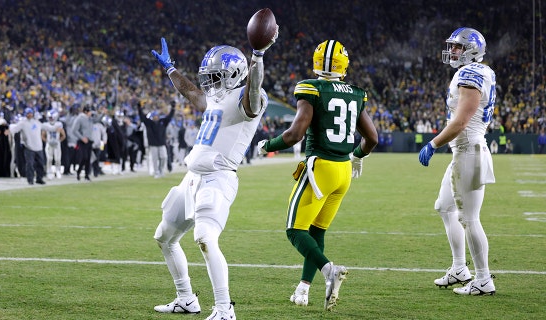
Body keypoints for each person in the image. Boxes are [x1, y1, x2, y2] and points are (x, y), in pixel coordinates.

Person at [150, 26, 277, 319]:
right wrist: (170, 69)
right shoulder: (217, 97)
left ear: (234, 74)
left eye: (215, 75)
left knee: (205, 237)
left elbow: (254, 90)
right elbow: (191, 92)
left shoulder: (250, 98)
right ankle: (186, 299)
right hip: (191, 178)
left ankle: (224, 309)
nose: (209, 81)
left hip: (218, 177)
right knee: (164, 237)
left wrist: (257, 55)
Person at [257, 39, 378, 310]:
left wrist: (268, 145)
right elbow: (372, 137)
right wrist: (358, 156)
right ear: (344, 64)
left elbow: (295, 134)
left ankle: (328, 270)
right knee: (316, 230)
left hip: (320, 168)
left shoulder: (311, 87)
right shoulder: (356, 93)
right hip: (343, 171)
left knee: (295, 230)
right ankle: (303, 289)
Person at [418, 27, 497, 295]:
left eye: (457, 47)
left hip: (469, 151)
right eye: (452, 46)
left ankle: (484, 279)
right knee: (444, 206)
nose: (452, 51)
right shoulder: (481, 71)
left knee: (469, 218)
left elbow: (461, 121)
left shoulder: (470, 73)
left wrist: (433, 143)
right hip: (465, 151)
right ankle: (459, 268)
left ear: (471, 49)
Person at [9, 108, 46, 185]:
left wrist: (55, 128)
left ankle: (39, 178)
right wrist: (9, 129)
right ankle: (30, 179)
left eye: (30, 113)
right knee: (30, 164)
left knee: (40, 164)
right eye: (28, 113)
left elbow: (45, 127)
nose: (29, 115)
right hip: (29, 147)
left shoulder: (37, 122)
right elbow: (14, 129)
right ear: (26, 114)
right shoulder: (23, 123)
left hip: (39, 146)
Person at [138, 102, 174, 178]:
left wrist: (173, 109)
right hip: (153, 144)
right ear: (152, 117)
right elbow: (142, 117)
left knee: (164, 157)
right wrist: (139, 108)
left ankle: (161, 170)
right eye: (154, 116)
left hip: (162, 143)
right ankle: (156, 172)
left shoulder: (163, 122)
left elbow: (169, 117)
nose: (156, 117)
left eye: (157, 116)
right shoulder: (149, 123)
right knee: (155, 159)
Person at [71, 105, 94, 181]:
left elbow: (98, 119)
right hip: (82, 141)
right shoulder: (79, 119)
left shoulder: (90, 119)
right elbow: (74, 130)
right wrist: (82, 137)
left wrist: (103, 113)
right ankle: (79, 172)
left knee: (88, 159)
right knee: (84, 157)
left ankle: (87, 175)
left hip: (89, 140)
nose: (91, 113)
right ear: (85, 112)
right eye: (90, 111)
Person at [41, 109, 66, 179]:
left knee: (58, 159)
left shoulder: (59, 124)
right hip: (49, 144)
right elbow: (42, 135)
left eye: (51, 117)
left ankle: (57, 171)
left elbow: (63, 135)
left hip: (57, 144)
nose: (50, 119)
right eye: (49, 118)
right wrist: (47, 141)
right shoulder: (46, 125)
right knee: (49, 159)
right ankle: (49, 171)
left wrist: (58, 141)